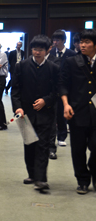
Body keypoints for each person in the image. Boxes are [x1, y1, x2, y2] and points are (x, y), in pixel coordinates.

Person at [11, 35, 59, 191]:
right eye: (34, 49)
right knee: (29, 144)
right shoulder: (21, 66)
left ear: (47, 50)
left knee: (43, 146)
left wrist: (46, 100)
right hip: (25, 113)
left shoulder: (53, 68)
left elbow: (57, 91)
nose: (37, 52)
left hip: (46, 113)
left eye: (40, 50)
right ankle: (32, 174)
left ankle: (41, 178)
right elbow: (15, 89)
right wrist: (18, 107)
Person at [59, 29, 96, 194]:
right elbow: (63, 84)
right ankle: (82, 180)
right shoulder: (71, 62)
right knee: (78, 149)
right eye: (81, 42)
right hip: (77, 111)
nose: (83, 45)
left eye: (87, 42)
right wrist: (66, 104)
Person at [49, 29, 76, 156]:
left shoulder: (71, 53)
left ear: (64, 41)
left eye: (57, 40)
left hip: (66, 86)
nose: (55, 42)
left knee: (62, 111)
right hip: (52, 87)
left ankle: (62, 136)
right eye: (53, 40)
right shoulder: (51, 52)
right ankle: (52, 138)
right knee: (52, 113)